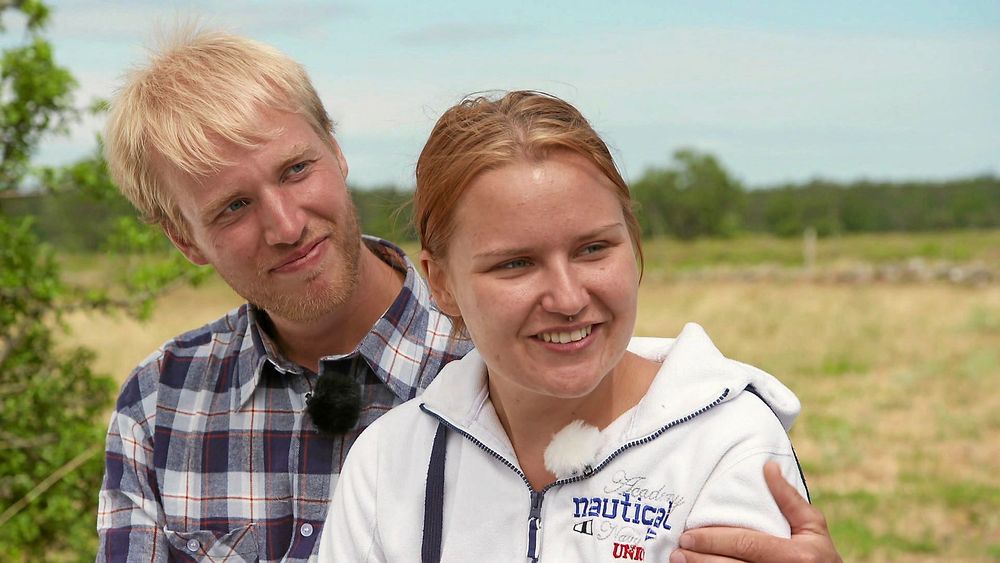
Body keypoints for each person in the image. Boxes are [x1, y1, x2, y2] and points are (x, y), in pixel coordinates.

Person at [97, 28, 840, 562]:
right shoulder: (163, 401)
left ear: (337, 149)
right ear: (185, 240)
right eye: (232, 207)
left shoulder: (524, 356)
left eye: (296, 169)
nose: (286, 224)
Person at [318, 91, 820, 562]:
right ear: (442, 283)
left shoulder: (727, 444)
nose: (568, 298)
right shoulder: (388, 464)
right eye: (516, 263)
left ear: (635, 242)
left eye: (593, 249)